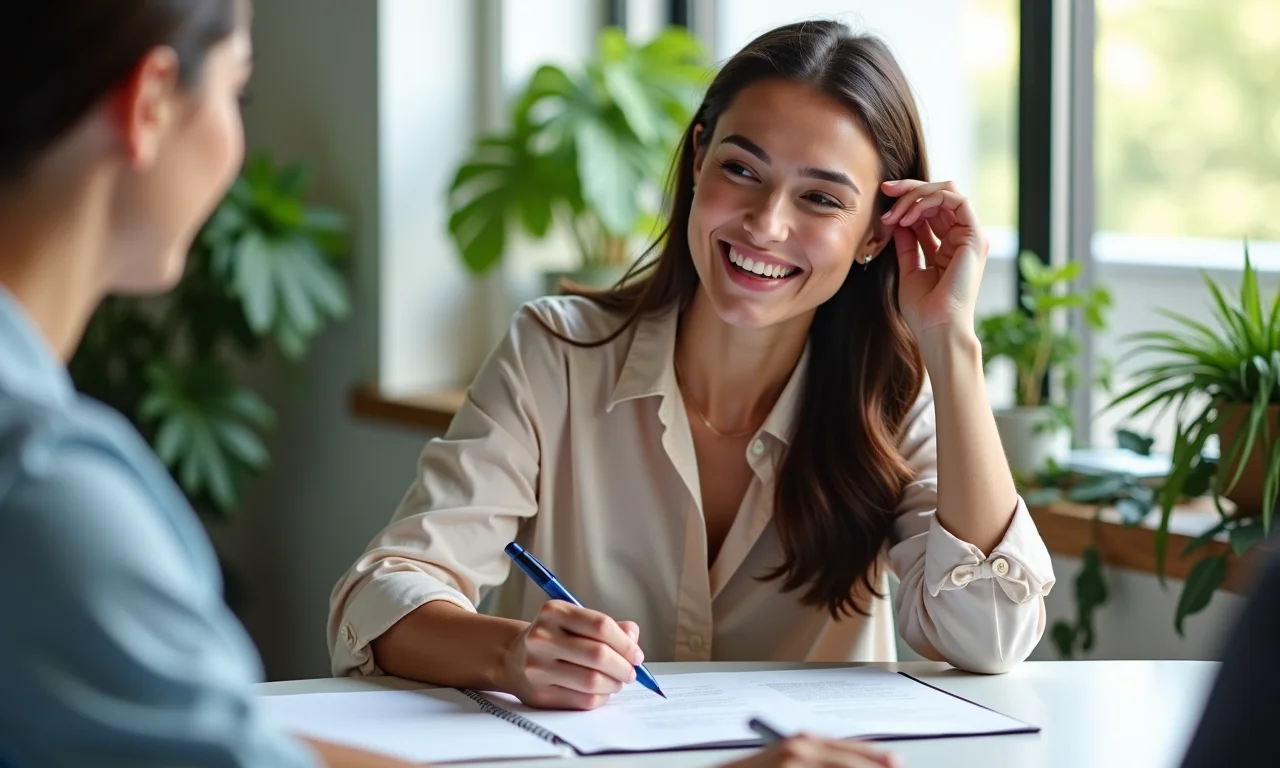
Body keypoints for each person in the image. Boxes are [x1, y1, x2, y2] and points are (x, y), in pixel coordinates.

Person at [0, 4, 892, 768]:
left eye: (821, 198)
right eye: (238, 90)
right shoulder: (48, 487)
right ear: (152, 103)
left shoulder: (45, 464)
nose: (769, 223)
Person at [329, 15, 1056, 717]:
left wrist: (950, 339)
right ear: (699, 157)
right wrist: (513, 654)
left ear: (874, 234)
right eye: (742, 169)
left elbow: (988, 636)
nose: (767, 224)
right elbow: (382, 595)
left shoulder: (893, 395)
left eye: (821, 198)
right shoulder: (555, 353)